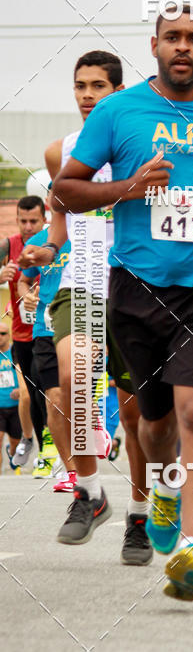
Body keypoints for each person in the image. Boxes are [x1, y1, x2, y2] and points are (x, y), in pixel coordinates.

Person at [51, 5, 193, 600]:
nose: (183, 47)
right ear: (153, 45)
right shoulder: (117, 111)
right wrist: (129, 186)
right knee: (152, 422)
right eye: (172, 38)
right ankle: (159, 487)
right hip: (137, 287)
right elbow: (66, 191)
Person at [22, 50, 152, 565]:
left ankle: (139, 517)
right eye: (80, 86)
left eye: (98, 86)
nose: (86, 95)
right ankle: (91, 494)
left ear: (117, 92)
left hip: (138, 286)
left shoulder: (145, 146)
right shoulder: (62, 153)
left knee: (138, 415)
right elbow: (60, 223)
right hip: (83, 283)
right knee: (73, 381)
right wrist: (47, 249)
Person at [18, 225, 72, 488]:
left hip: (82, 325)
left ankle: (87, 457)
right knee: (54, 399)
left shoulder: (93, 233)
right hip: (45, 329)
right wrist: (26, 296)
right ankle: (71, 471)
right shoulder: (39, 241)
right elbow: (23, 279)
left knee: (77, 396)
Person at [0, 196, 48, 471]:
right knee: (31, 393)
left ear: (44, 219)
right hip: (21, 334)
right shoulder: (9, 245)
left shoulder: (54, 241)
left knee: (46, 393)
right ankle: (34, 443)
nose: (28, 226)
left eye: (34, 221)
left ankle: (47, 452)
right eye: (23, 221)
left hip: (49, 332)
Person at [0, 326, 25, 464]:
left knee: (15, 442)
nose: (0, 337)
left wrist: (21, 391)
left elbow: (28, 377)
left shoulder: (15, 353)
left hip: (16, 406)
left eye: (2, 334)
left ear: (9, 335)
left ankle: (12, 451)